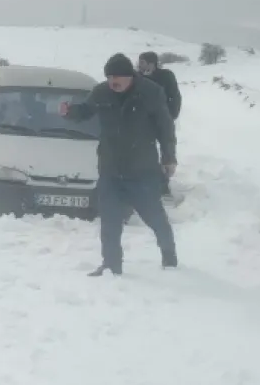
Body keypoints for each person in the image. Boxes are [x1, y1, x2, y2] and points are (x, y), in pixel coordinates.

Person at [60, 53, 178, 276]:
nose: (112, 81)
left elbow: (165, 127)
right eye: (109, 77)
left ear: (129, 76)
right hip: (111, 168)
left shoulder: (151, 93)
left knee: (155, 217)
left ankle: (169, 256)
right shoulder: (102, 92)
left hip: (142, 169)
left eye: (117, 77)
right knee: (110, 221)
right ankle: (111, 265)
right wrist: (70, 112)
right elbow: (85, 111)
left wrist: (169, 157)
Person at [137, 51, 182, 196]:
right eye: (139, 62)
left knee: (167, 152)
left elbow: (175, 96)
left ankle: (163, 184)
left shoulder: (166, 76)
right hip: (142, 121)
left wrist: (171, 115)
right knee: (143, 152)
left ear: (152, 63)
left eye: (142, 62)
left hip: (163, 120)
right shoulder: (137, 77)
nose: (140, 65)